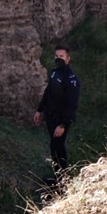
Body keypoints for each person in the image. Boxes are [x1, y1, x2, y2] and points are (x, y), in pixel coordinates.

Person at [33, 46, 80, 175]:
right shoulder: (55, 72)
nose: (58, 59)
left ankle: (62, 179)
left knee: (58, 147)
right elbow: (48, 91)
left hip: (61, 119)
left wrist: (63, 125)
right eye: (56, 56)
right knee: (54, 147)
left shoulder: (71, 80)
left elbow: (72, 105)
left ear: (68, 58)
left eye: (61, 56)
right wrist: (39, 110)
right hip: (50, 116)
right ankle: (58, 176)